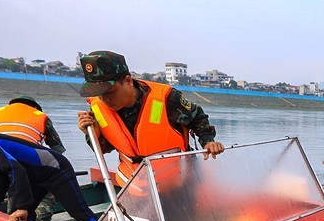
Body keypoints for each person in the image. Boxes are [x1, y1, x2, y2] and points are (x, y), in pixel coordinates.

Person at [75, 51, 223, 187]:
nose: (105, 99)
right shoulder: (98, 108)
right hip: (134, 189)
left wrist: (208, 141)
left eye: (110, 92)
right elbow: (105, 148)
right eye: (100, 94)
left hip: (178, 185)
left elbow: (198, 118)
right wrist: (92, 134)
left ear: (127, 81)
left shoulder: (166, 98)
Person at [0, 95, 66, 221]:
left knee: (14, 194)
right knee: (47, 195)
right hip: (31, 166)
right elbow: (57, 150)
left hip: (4, 165)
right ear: (35, 107)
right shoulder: (40, 116)